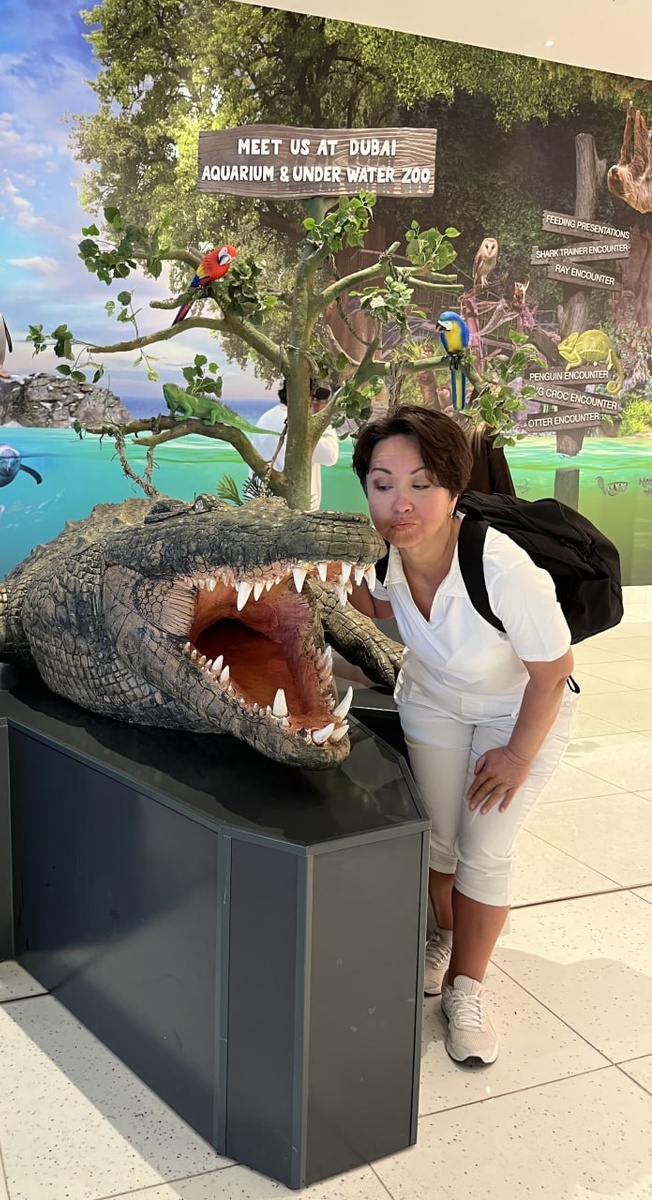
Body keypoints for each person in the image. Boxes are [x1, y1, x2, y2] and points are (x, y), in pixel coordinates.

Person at [348, 405, 575, 1066]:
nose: (400, 502)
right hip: (434, 701)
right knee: (441, 839)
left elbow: (553, 672)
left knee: (485, 850)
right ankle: (445, 937)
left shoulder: (503, 568)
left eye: (420, 484)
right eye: (382, 484)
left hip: (520, 712)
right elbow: (384, 604)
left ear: (452, 489)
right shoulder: (387, 555)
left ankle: (466, 987)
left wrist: (518, 755)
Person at [251, 381, 339, 510]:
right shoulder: (298, 424)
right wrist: (323, 419)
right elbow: (330, 455)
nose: (315, 403)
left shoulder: (268, 417)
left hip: (263, 507)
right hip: (291, 512)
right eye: (313, 399)